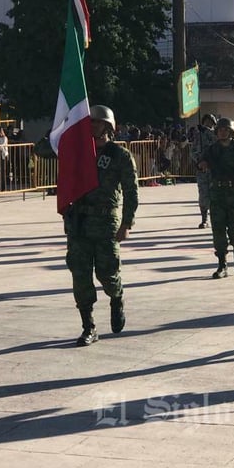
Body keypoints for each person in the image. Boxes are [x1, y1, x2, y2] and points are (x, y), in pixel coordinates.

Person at [64, 104, 138, 346]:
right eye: (89, 122)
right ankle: (89, 327)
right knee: (81, 277)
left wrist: (127, 223)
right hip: (80, 223)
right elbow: (45, 149)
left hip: (106, 222)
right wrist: (59, 129)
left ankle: (116, 299)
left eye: (96, 122)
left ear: (107, 126)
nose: (91, 126)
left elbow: (131, 191)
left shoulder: (120, 156)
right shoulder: (78, 152)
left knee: (107, 274)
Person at [197, 117, 234, 279]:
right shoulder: (211, 149)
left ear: (231, 131)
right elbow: (201, 162)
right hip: (217, 193)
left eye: (225, 130)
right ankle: (222, 264)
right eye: (220, 130)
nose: (222, 132)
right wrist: (203, 164)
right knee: (218, 230)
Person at [192, 113, 216, 228]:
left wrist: (206, 130)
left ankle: (216, 218)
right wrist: (197, 161)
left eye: (210, 122)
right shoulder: (198, 135)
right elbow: (193, 150)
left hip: (214, 169)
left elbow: (216, 141)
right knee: (203, 195)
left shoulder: (216, 133)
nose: (207, 124)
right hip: (202, 169)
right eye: (206, 121)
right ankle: (204, 219)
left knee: (215, 194)